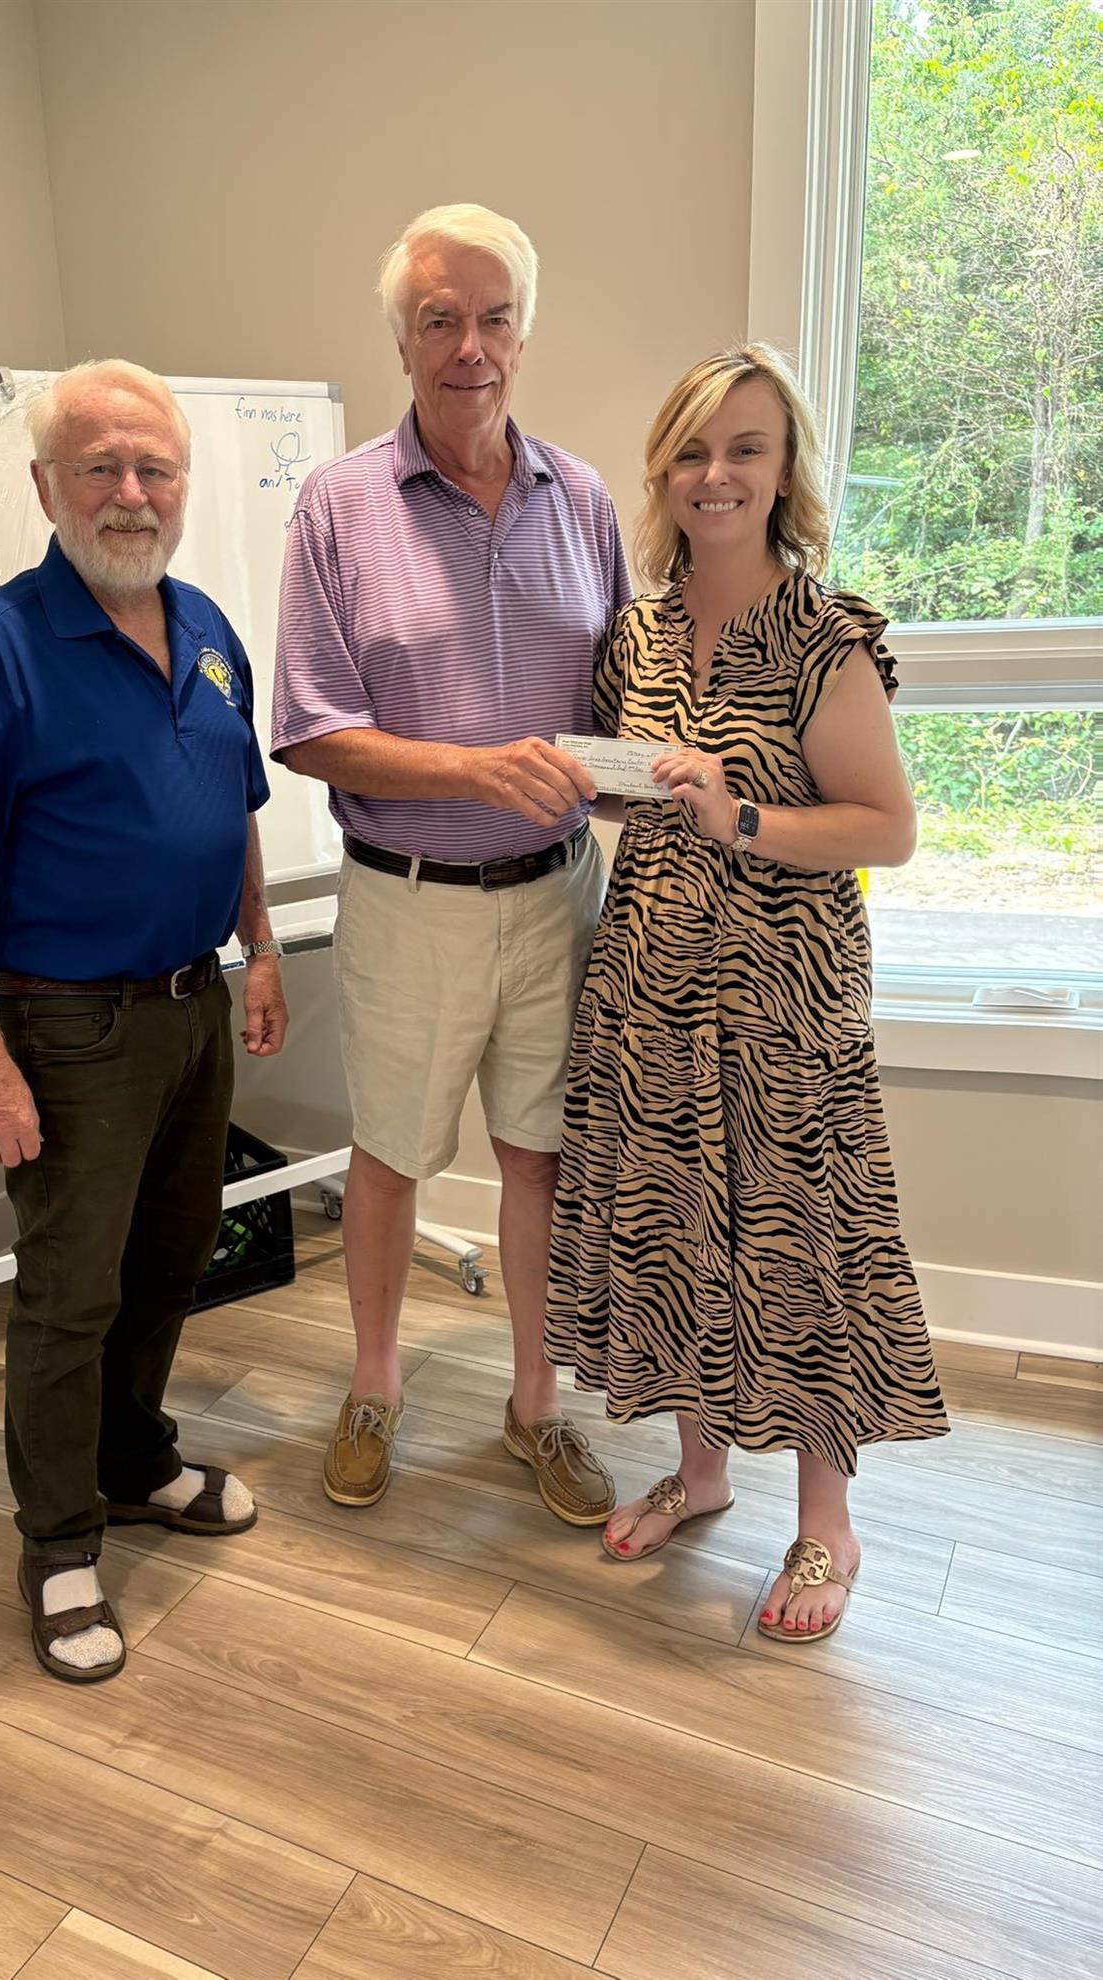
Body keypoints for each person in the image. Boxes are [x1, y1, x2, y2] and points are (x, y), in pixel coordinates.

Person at [546, 343, 948, 1642]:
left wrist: (744, 814)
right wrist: (593, 780)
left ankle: (824, 1523)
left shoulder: (824, 635)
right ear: (661, 471)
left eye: (746, 448)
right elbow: (630, 788)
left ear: (784, 473)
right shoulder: (641, 631)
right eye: (692, 449)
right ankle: (704, 1469)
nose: (714, 473)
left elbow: (884, 829)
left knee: (799, 1258)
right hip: (647, 991)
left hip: (781, 1008)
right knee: (675, 1243)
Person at [0, 359, 287, 1683]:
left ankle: (134, 1466)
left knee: (173, 1262)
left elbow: (228, 805)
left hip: (192, 1007)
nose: (130, 493)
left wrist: (263, 947)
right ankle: (59, 1544)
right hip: (67, 1029)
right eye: (101, 467)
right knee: (69, 1296)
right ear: (46, 486)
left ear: (182, 484)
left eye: (153, 468)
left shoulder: (210, 631)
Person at [274, 204, 631, 1520]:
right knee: (391, 1155)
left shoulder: (582, 499)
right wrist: (472, 768)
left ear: (522, 336)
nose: (465, 345)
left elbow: (624, 699)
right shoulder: (337, 505)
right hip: (407, 898)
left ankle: (537, 1406)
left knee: (538, 1158)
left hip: (556, 899)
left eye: (489, 318)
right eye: (438, 319)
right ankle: (374, 1387)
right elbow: (309, 733)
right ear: (402, 337)